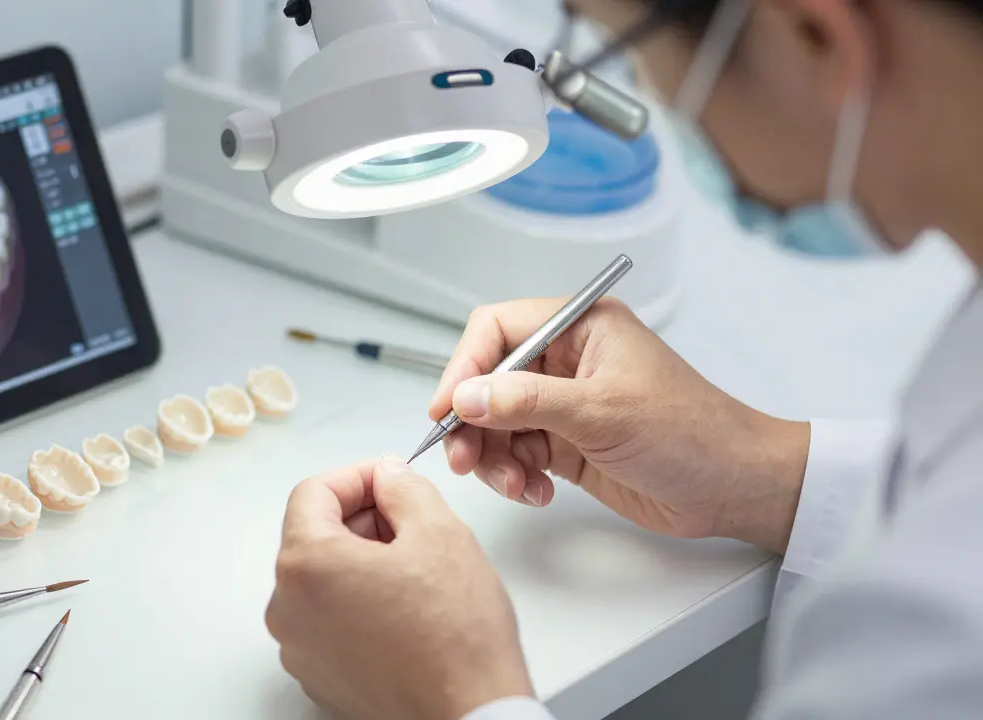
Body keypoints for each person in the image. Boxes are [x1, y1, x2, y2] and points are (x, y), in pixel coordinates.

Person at [263, 0, 983, 718]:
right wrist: (755, 473)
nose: (649, 91)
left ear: (813, 33)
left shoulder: (938, 631)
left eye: (625, 47)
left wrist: (456, 694)